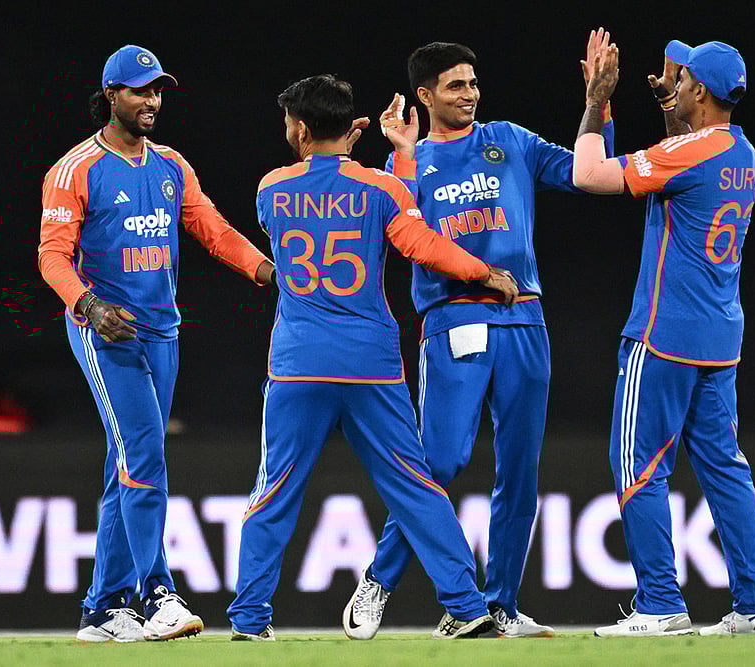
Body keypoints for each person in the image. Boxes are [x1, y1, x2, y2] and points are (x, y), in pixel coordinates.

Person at [226, 74, 520, 642]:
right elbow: (421, 244)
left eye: (290, 123)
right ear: (349, 128)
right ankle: (465, 604)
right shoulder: (383, 189)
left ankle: (249, 621)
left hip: (297, 365)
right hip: (370, 365)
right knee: (414, 486)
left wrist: (341, 161)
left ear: (302, 129)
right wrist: (483, 272)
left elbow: (316, 197)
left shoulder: (269, 189)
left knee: (275, 491)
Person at [344, 31, 615, 640]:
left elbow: (583, 174)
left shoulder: (509, 141)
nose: (470, 94)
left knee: (520, 470)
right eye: (455, 86)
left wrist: (597, 102)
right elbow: (404, 232)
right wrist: (403, 152)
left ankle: (499, 605)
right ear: (425, 94)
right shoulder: (406, 164)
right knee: (440, 461)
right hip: (454, 318)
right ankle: (380, 579)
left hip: (525, 318)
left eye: (473, 83)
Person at [38, 44, 276, 642]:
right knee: (144, 453)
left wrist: (267, 271)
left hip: (163, 333)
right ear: (111, 95)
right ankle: (155, 595)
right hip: (105, 332)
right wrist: (89, 306)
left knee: (130, 465)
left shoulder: (172, 166)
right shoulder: (75, 170)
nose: (153, 101)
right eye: (141, 91)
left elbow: (212, 229)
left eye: (158, 91)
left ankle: (102, 609)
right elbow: (51, 257)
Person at [572, 39, 755, 636]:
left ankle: (661, 604)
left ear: (701, 91)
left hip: (663, 332)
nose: (677, 75)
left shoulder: (692, 153)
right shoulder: (744, 150)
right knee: (725, 467)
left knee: (636, 466)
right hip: (719, 335)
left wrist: (597, 100)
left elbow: (587, 174)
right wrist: (672, 104)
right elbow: (684, 148)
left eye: (685, 74)